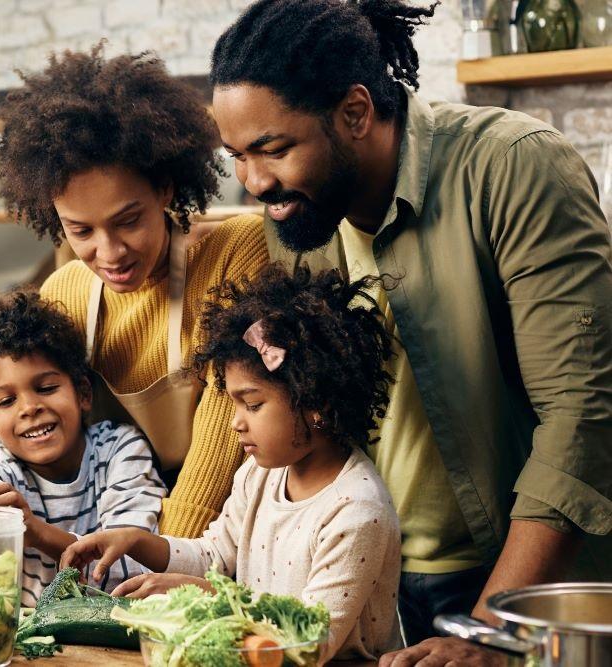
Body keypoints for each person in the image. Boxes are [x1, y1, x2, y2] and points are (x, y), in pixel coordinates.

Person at [209, 0, 612, 663]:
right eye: (237, 156)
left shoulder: (512, 168)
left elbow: (582, 417)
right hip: (378, 577)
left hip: (519, 585)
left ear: (357, 113)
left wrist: (495, 633)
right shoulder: (299, 220)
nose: (255, 182)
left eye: (272, 148)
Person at [0, 44, 270, 540]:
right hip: (115, 533)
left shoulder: (234, 255)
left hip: (227, 532)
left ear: (164, 188)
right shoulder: (65, 293)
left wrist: (163, 561)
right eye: (81, 231)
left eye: (128, 221)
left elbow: (223, 432)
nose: (110, 252)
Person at [62, 264, 403, 662]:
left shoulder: (357, 511)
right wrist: (136, 541)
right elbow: (213, 557)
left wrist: (212, 599)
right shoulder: (259, 474)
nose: (235, 422)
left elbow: (311, 642)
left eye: (253, 405)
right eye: (234, 403)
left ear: (316, 402)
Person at [0, 291, 166, 606]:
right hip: (29, 640)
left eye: (47, 388)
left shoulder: (122, 450)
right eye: (7, 401)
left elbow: (132, 568)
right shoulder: (1, 464)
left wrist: (38, 533)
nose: (29, 407)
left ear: (82, 393)